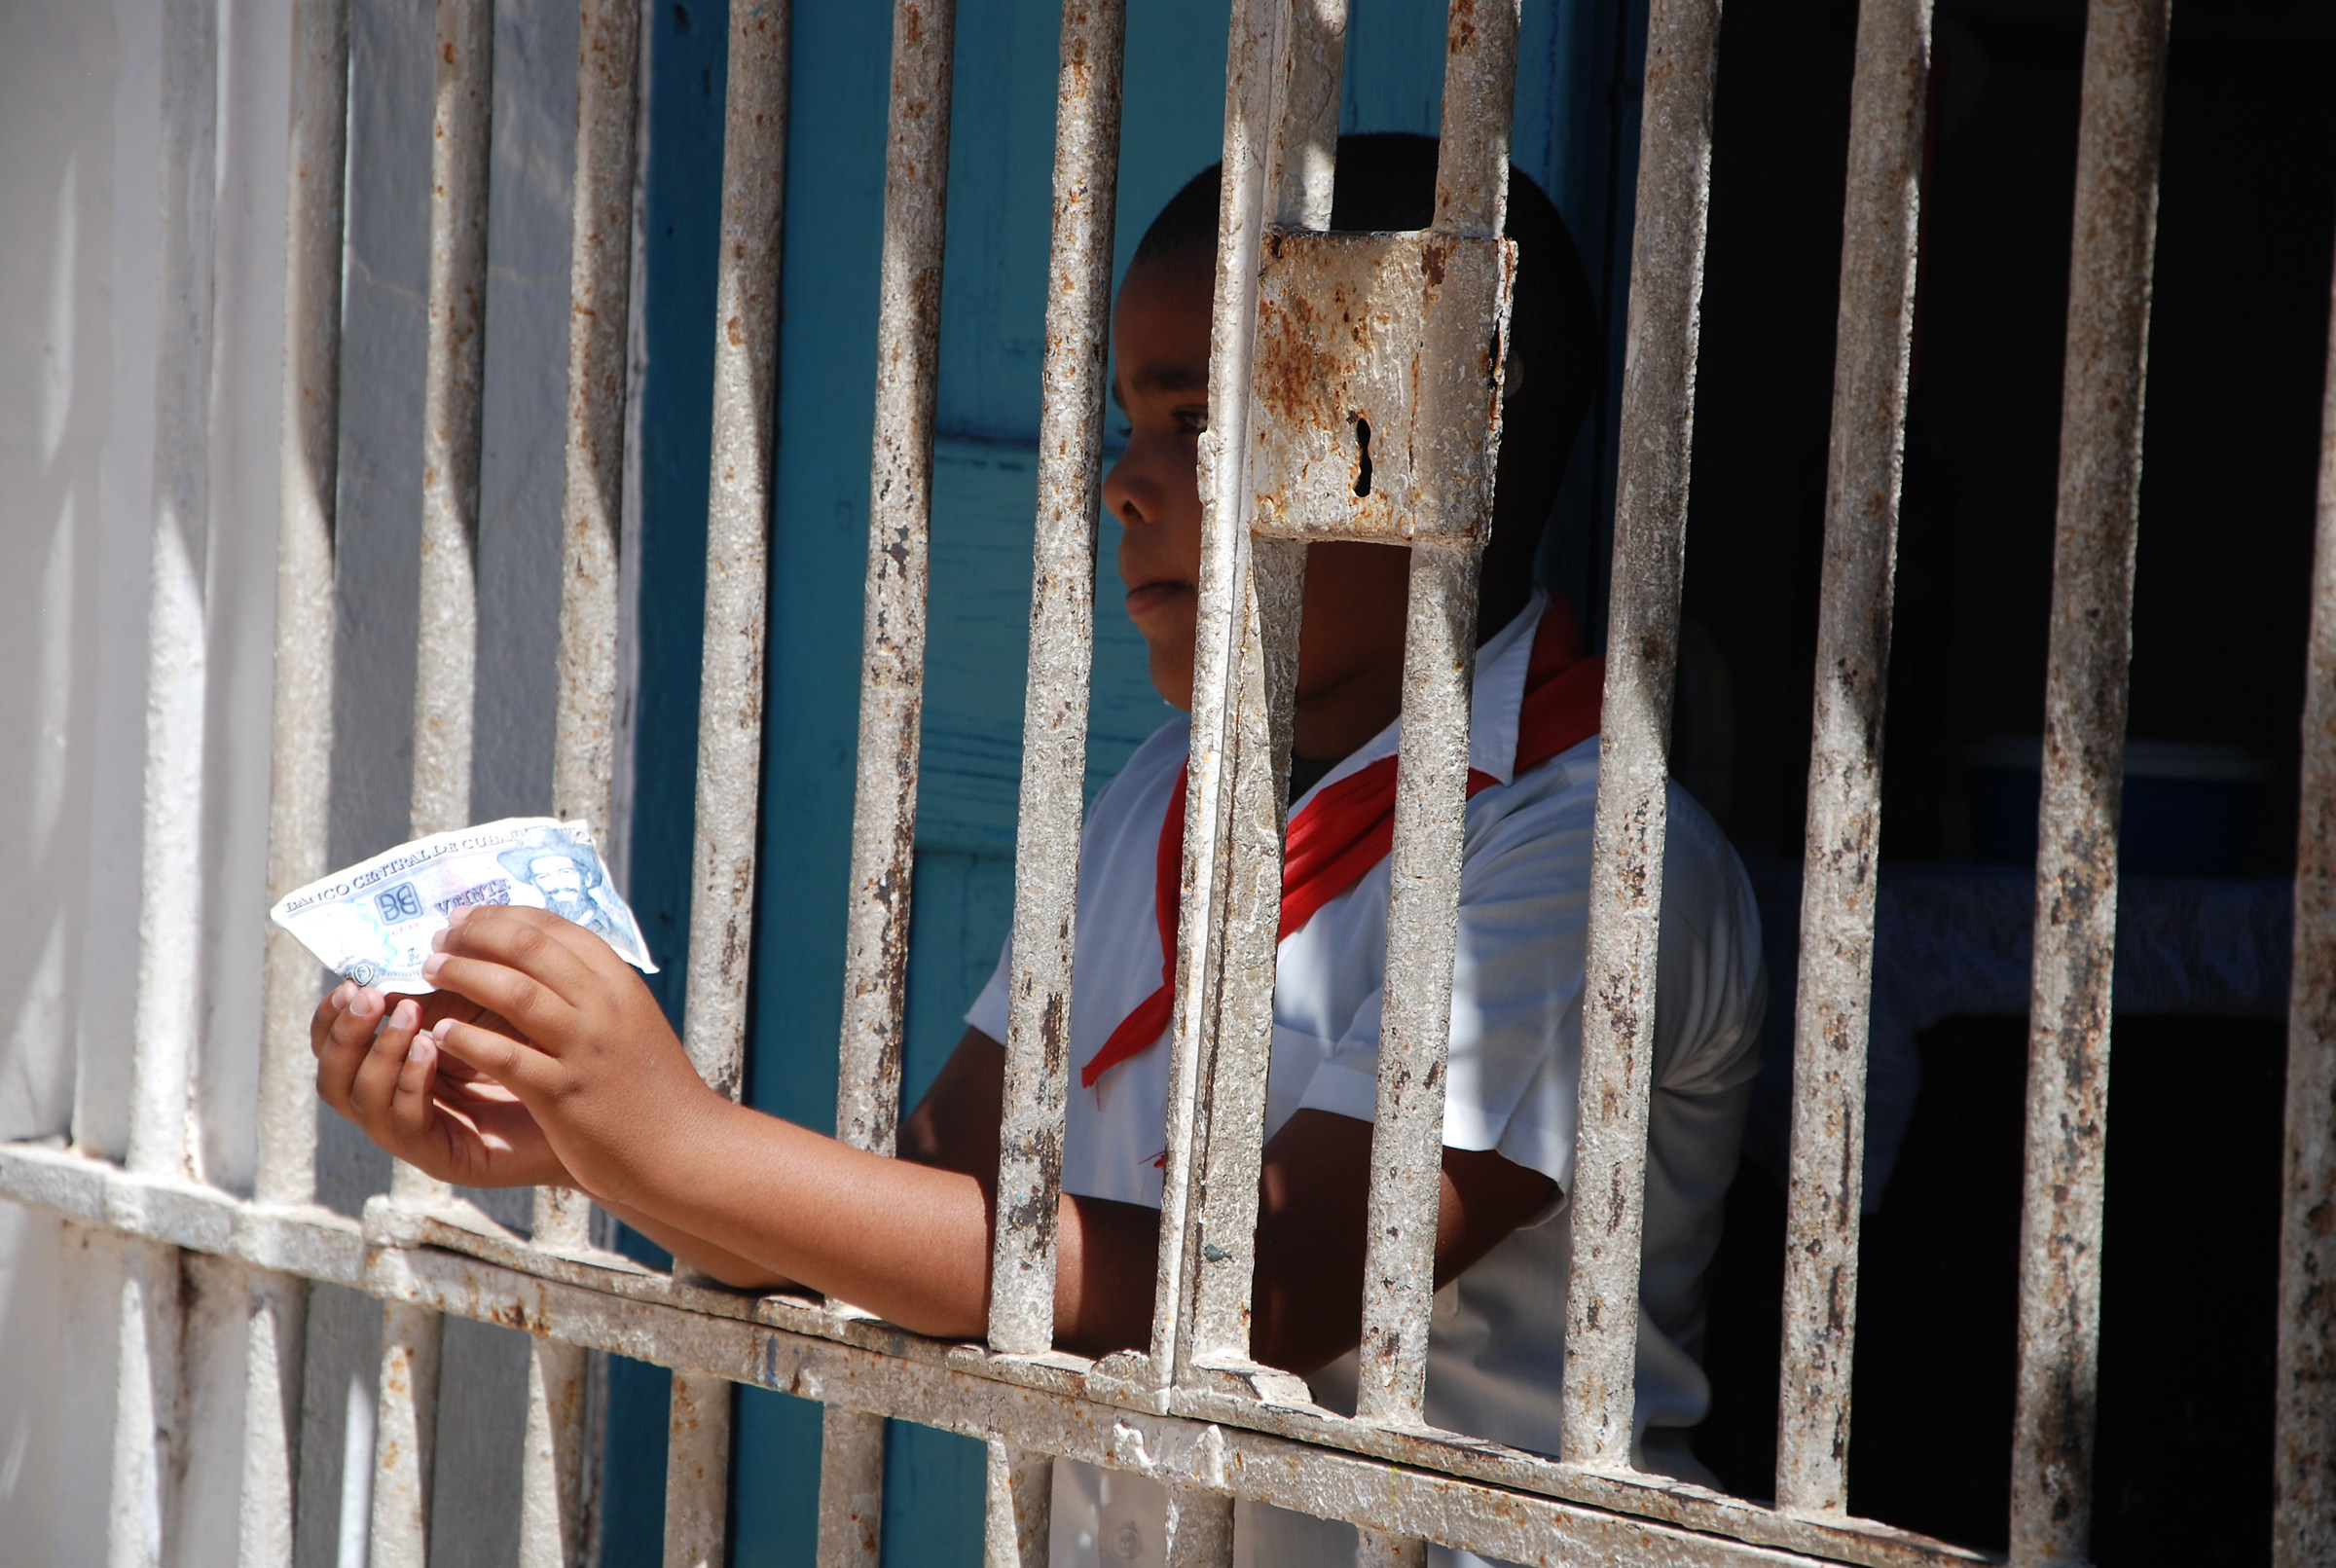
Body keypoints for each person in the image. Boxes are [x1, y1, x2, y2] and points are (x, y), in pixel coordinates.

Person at [310, 134, 1763, 1565]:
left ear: (1404, 457)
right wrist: (596, 1145)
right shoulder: (1158, 793)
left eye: (1198, 423)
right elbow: (929, 1212)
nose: (1124, 486)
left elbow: (1268, 1298)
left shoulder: (1587, 860)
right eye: (1129, 425)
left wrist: (684, 1141)